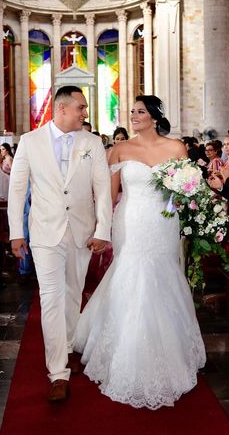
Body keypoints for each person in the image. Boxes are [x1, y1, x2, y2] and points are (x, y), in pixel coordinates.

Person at [74, 94, 206, 410]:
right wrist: (101, 230)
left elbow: (186, 190)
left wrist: (193, 197)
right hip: (131, 221)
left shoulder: (175, 148)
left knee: (162, 274)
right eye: (132, 111)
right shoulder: (120, 149)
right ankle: (126, 352)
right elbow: (109, 194)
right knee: (132, 273)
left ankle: (169, 349)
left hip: (164, 223)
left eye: (140, 111)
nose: (134, 115)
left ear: (155, 116)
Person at [8, 85, 112, 402]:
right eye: (81, 107)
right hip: (44, 233)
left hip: (81, 231)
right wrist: (16, 232)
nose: (85, 113)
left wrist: (103, 230)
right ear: (62, 108)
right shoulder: (30, 142)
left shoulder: (92, 142)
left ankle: (66, 346)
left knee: (72, 293)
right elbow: (17, 189)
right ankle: (58, 373)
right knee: (51, 297)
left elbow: (103, 189)